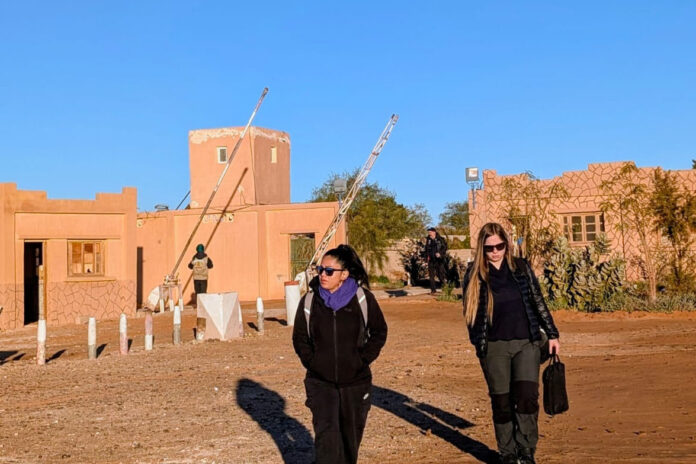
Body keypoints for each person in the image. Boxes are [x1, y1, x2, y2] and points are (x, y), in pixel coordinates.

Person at [462, 223, 560, 464]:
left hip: (526, 343)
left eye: (500, 246)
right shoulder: (474, 274)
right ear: (482, 248)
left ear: (506, 244)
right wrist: (478, 344)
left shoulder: (521, 268)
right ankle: (507, 453)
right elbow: (470, 315)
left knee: (527, 398)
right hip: (494, 348)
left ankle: (526, 451)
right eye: (489, 248)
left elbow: (537, 301)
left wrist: (552, 333)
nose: (495, 252)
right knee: (502, 402)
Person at [292, 244, 388, 464]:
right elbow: (300, 338)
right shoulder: (309, 301)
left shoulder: (363, 299)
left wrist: (361, 360)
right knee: (326, 442)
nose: (323, 275)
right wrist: (313, 362)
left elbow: (379, 331)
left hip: (355, 384)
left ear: (344, 274)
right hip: (321, 384)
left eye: (329, 271)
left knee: (349, 442)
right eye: (320, 270)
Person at [425, 227, 448, 294]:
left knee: (440, 274)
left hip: (439, 260)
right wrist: (426, 259)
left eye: (430, 232)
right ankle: (433, 290)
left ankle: (444, 288)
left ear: (434, 232)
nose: (429, 233)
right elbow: (426, 250)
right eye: (428, 232)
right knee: (431, 276)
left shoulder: (440, 239)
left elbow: (445, 247)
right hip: (431, 260)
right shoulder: (428, 240)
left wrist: (440, 253)